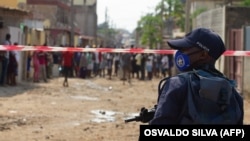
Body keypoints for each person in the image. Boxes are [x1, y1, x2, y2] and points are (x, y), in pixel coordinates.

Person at [149, 27, 244, 124]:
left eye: (184, 49)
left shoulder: (176, 84)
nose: (179, 53)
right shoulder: (233, 93)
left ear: (203, 55)